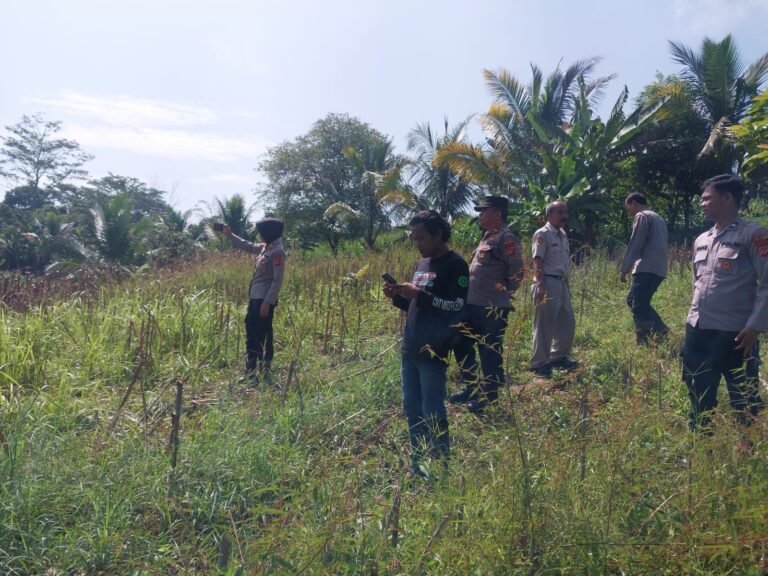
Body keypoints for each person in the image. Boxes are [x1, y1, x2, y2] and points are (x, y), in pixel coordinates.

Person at [383, 210, 469, 476]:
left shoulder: (455, 265)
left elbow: (456, 306)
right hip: (410, 347)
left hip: (434, 350)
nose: (417, 243)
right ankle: (418, 463)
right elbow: (415, 305)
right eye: (414, 238)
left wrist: (420, 294)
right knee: (411, 407)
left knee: (432, 409)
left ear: (438, 234)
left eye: (421, 238)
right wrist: (397, 296)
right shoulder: (421, 264)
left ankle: (440, 463)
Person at [682, 174, 767, 432]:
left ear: (727, 198)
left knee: (744, 396)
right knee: (698, 392)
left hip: (737, 333)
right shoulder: (702, 239)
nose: (702, 204)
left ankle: (748, 448)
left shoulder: (753, 235)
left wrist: (755, 327)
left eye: (707, 198)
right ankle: (700, 443)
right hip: (699, 328)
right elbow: (699, 284)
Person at [450, 195, 524, 412]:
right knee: (460, 342)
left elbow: (517, 272)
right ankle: (470, 386)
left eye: (484, 211)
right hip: (472, 304)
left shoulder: (507, 238)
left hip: (492, 307)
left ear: (497, 214)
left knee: (489, 351)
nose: (480, 215)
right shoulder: (486, 238)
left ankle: (489, 396)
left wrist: (502, 294)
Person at [222, 218, 286, 385]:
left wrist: (267, 302)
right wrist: (230, 235)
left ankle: (261, 370)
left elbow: (277, 281)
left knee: (261, 335)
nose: (258, 235)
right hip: (255, 298)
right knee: (252, 333)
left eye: (261, 232)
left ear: (268, 233)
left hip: (263, 300)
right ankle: (252, 371)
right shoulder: (266, 248)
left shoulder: (277, 252)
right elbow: (248, 246)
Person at [529, 200, 577, 378]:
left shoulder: (562, 234)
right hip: (546, 282)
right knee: (544, 324)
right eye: (560, 212)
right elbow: (537, 260)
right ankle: (539, 363)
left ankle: (558, 356)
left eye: (565, 212)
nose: (564, 216)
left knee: (567, 321)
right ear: (549, 215)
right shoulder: (542, 234)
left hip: (561, 283)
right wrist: (540, 284)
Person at [619, 192, 669, 344]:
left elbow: (636, 244)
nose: (629, 212)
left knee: (634, 301)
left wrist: (624, 269)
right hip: (659, 268)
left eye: (629, 208)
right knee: (641, 301)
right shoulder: (658, 217)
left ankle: (644, 339)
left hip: (646, 266)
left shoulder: (642, 216)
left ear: (634, 203)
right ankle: (660, 330)